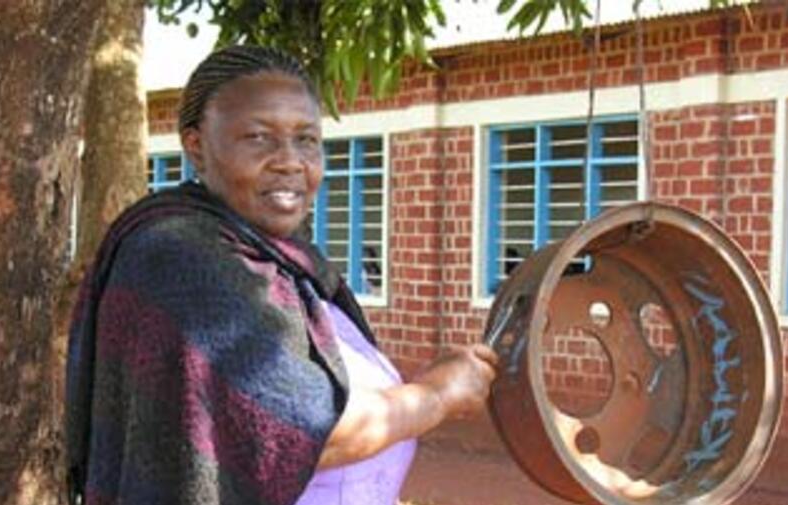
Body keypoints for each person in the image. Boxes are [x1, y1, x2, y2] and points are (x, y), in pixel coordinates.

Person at [65, 45, 499, 505]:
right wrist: (437, 395)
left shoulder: (286, 260)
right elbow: (303, 434)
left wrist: (419, 385)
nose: (290, 161)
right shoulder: (177, 257)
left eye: (306, 139)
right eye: (258, 137)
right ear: (196, 145)